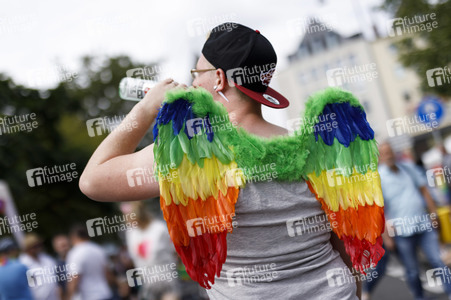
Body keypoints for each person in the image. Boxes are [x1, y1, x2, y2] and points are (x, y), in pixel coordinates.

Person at [80, 23, 361, 299]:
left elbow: (93, 180)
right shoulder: (315, 148)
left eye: (196, 73)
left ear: (218, 78)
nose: (192, 83)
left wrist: (146, 108)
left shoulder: (192, 154)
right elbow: (343, 244)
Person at [372, 142, 451, 300]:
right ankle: (419, 297)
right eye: (385, 153)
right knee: (412, 270)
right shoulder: (378, 178)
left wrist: (434, 215)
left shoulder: (408, 168)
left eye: (390, 152)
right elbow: (378, 209)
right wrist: (386, 237)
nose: (389, 155)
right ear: (379, 157)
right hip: (401, 232)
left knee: (439, 261)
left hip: (424, 224)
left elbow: (424, 191)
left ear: (394, 153)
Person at [125, 202, 180, 300]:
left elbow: (175, 251)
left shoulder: (159, 228)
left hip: (167, 280)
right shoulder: (131, 233)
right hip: (148, 283)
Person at [66, 224, 114, 300]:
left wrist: (69, 297)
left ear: (73, 237)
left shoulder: (74, 253)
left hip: (88, 296)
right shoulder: (98, 249)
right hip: (105, 293)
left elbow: (74, 279)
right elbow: (107, 273)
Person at [20, 233, 61, 300]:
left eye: (39, 245)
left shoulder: (47, 258)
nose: (38, 248)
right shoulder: (22, 264)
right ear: (27, 248)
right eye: (35, 246)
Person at [52, 234, 70, 300]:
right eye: (62, 246)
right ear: (56, 249)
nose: (65, 248)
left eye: (66, 245)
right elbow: (59, 288)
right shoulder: (56, 266)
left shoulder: (78, 259)